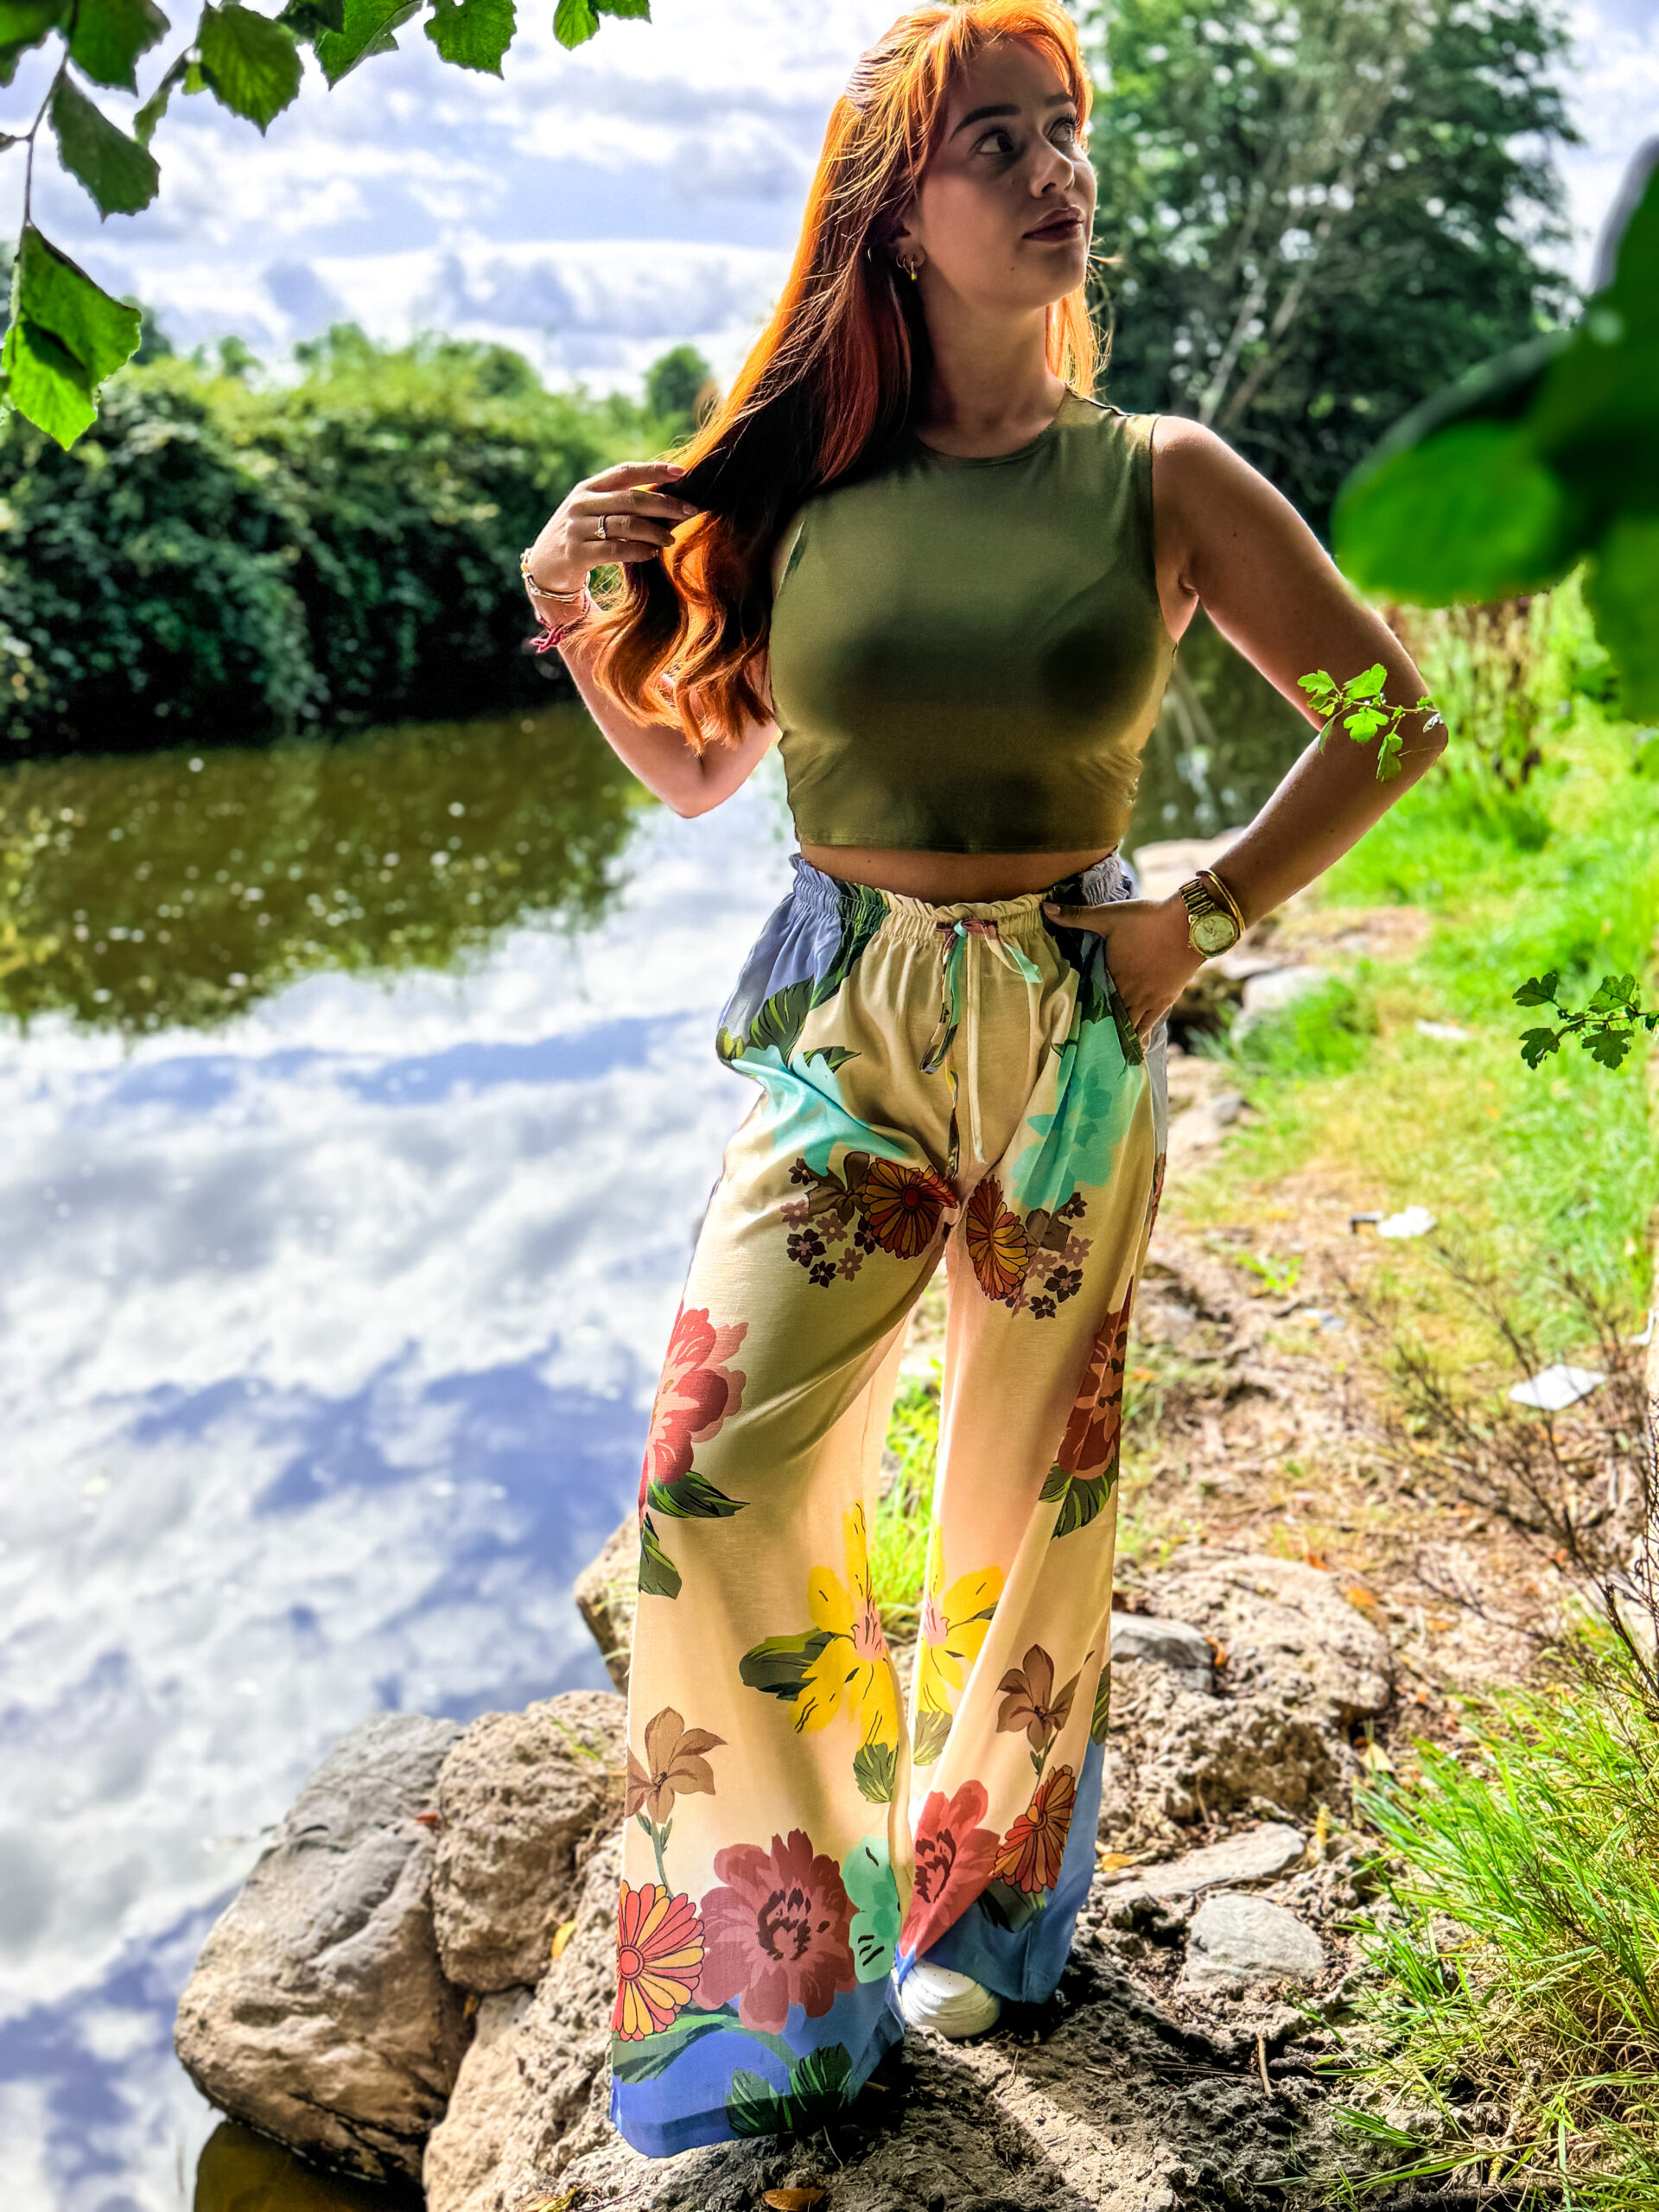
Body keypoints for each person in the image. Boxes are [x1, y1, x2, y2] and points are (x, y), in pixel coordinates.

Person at [518, 0, 1442, 2159]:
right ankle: (781, 1970)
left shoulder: (1161, 476)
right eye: (998, 143)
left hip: (1071, 1022)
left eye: (1064, 134)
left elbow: (1386, 717)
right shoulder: (801, 489)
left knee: (1031, 1492)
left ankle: (984, 1908)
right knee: (712, 1467)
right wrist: (572, 598)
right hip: (842, 1018)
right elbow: (702, 771)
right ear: (896, 210)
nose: (1056, 173)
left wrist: (1203, 913)